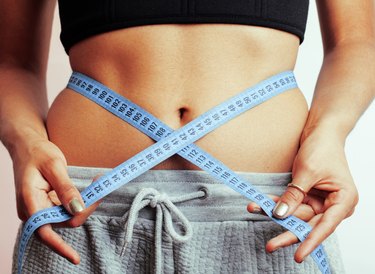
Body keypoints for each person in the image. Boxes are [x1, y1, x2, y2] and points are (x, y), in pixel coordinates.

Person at [0, 0, 374, 273]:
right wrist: (25, 144)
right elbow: (11, 61)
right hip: (80, 214)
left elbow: (358, 42)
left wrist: (330, 134)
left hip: (275, 215)